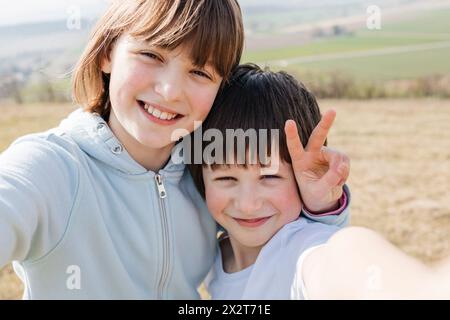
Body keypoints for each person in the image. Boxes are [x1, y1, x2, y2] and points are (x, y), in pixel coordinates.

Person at [0, 1, 349, 299]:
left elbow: (284, 246)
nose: (169, 91)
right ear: (107, 53)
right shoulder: (51, 167)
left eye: (199, 72)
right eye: (151, 54)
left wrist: (322, 209)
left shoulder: (207, 166)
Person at [189, 63, 450, 300]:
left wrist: (424, 290)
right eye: (226, 178)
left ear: (302, 179)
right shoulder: (212, 255)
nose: (247, 204)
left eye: (269, 176)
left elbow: (344, 256)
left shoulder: (300, 249)